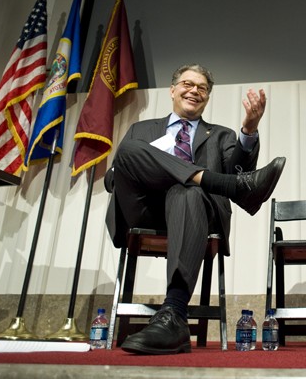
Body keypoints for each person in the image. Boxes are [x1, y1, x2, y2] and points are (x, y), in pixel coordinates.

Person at [104, 63, 286, 355]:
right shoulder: (142, 129)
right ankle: (211, 181)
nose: (194, 91)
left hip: (196, 212)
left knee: (187, 193)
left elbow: (240, 171)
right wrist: (158, 166)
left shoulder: (221, 135)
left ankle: (173, 313)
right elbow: (113, 178)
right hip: (144, 209)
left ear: (208, 98)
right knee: (129, 151)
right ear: (173, 90)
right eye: (188, 84)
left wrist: (249, 130)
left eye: (202, 88)